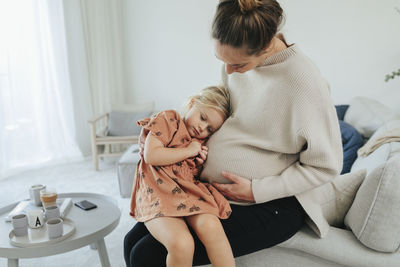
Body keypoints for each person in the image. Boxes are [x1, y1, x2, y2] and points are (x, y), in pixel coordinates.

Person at [124, 0, 343, 266]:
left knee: (147, 255)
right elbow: (222, 118)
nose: (229, 71)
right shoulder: (238, 61)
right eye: (222, 60)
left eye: (238, 65)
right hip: (205, 190)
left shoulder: (303, 85)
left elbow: (326, 166)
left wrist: (256, 191)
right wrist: (165, 139)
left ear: (265, 46)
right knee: (131, 241)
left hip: (271, 205)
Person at [128, 85, 235, 267]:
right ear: (192, 103)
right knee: (182, 244)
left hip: (187, 193)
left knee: (211, 227)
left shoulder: (198, 142)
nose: (202, 128)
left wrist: (197, 166)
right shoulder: (169, 119)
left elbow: (187, 175)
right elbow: (152, 156)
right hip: (156, 193)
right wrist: (187, 152)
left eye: (210, 129)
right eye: (202, 118)